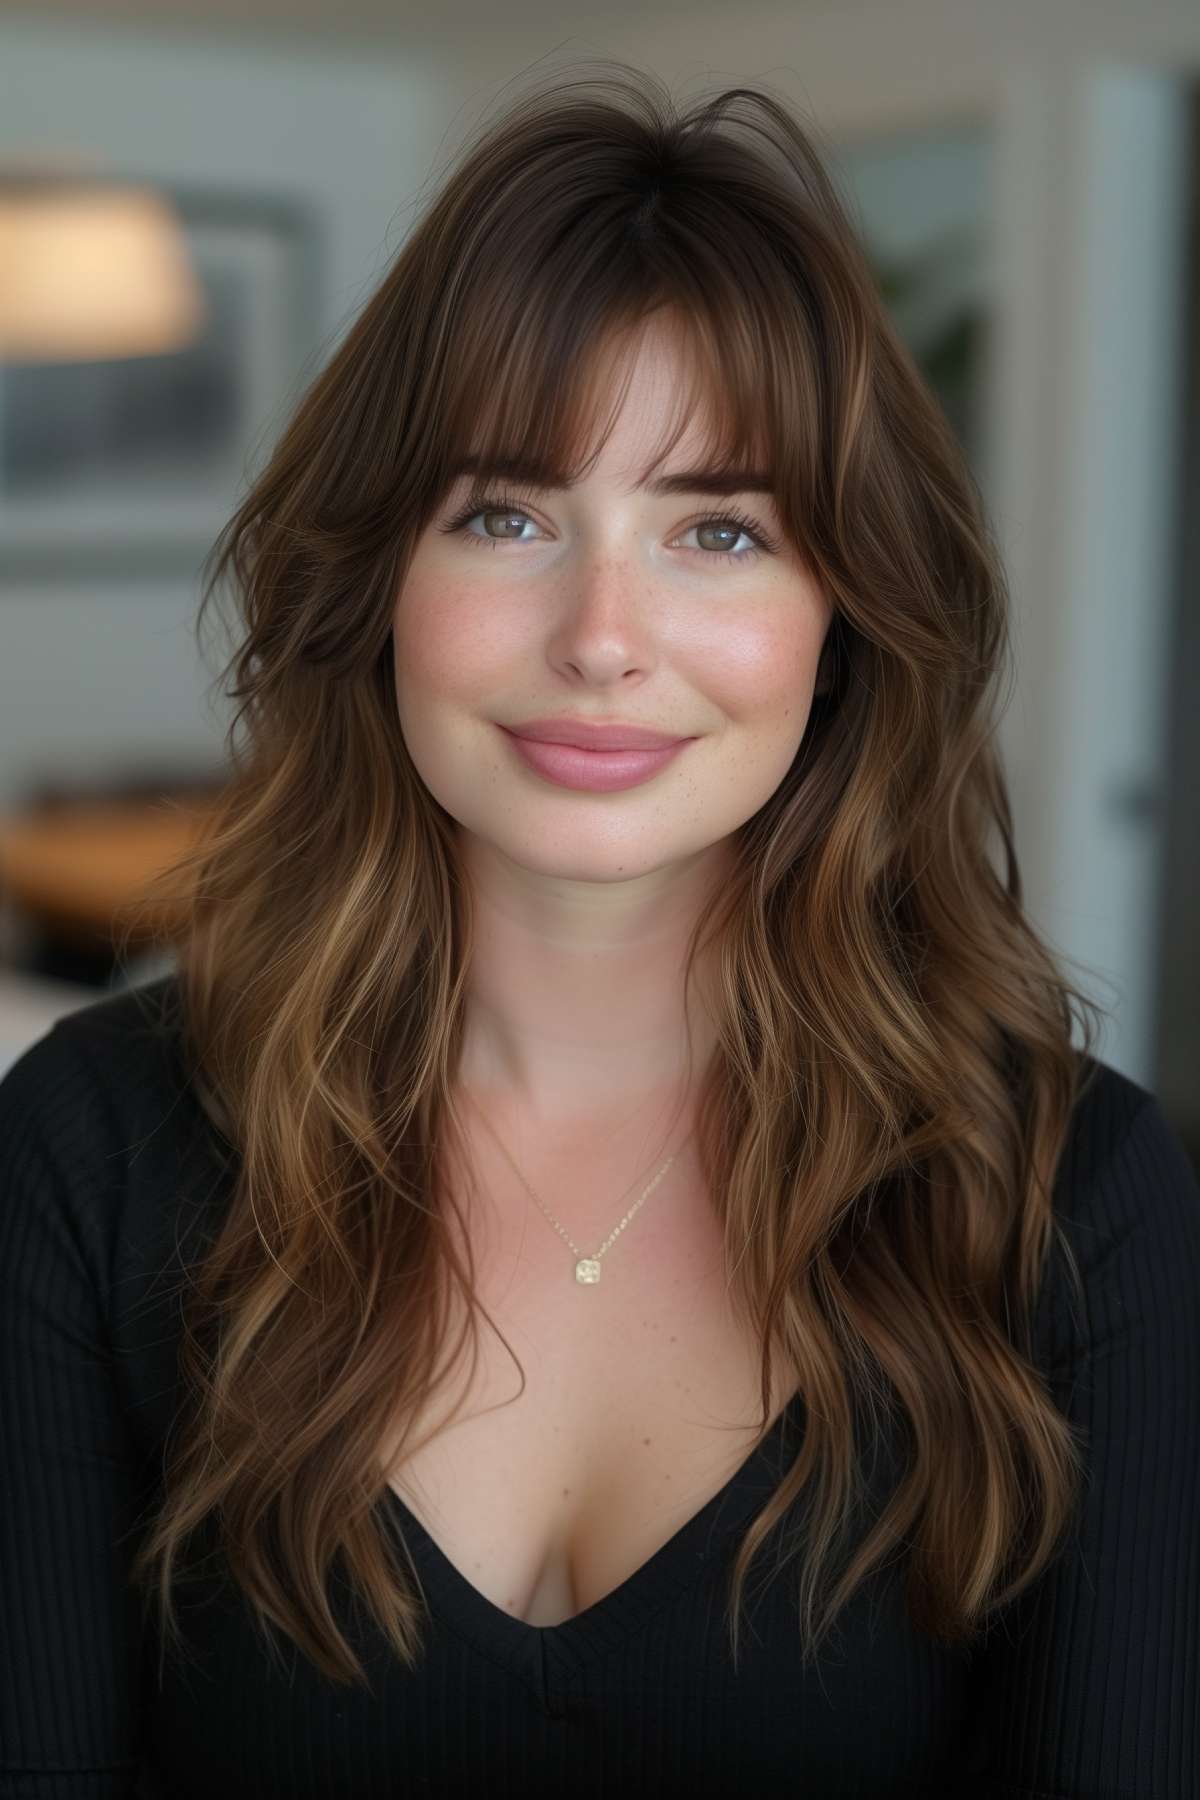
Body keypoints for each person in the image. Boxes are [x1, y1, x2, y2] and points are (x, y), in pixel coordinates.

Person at [2, 60, 1197, 1800]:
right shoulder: (85, 1151)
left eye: (719, 528)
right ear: (376, 586)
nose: (605, 635)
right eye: (507, 515)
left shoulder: (1072, 1202)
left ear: (843, 619)